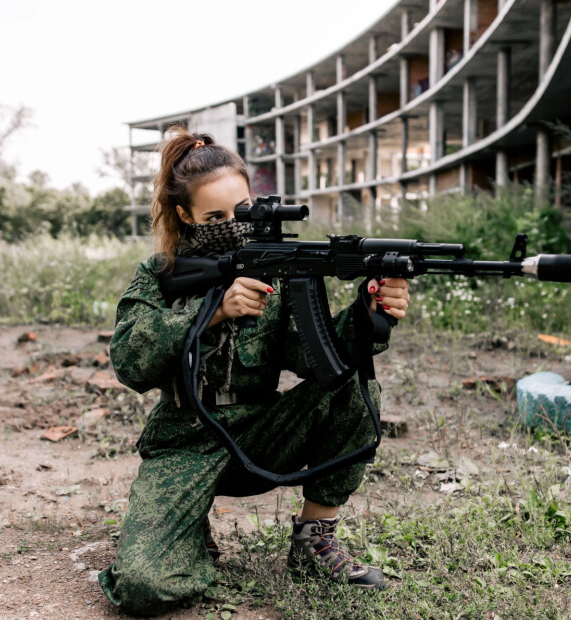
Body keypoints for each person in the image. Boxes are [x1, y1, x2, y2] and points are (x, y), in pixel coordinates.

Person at [97, 129, 410, 617]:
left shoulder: (278, 273)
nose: (233, 225)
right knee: (143, 585)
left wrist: (370, 315)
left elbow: (315, 361)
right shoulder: (160, 274)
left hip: (260, 436)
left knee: (350, 382)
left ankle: (313, 541)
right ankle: (188, 536)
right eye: (215, 217)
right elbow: (130, 362)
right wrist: (212, 312)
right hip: (184, 443)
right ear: (184, 215)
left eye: (242, 210)